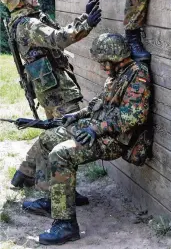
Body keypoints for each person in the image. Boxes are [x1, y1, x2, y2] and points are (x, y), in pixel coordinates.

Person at [22, 33, 151, 245]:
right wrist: (77, 116)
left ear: (114, 57)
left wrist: (95, 129)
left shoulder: (137, 76)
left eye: (103, 62)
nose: (101, 66)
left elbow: (134, 116)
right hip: (98, 129)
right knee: (48, 138)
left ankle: (66, 225)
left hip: (115, 140)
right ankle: (52, 200)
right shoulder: (119, 73)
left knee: (61, 154)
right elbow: (100, 103)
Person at [0, 0, 101, 205]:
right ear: (21, 1)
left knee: (53, 134)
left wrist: (83, 18)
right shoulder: (29, 24)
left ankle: (25, 173)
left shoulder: (24, 20)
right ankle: (57, 192)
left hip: (48, 87)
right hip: (56, 90)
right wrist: (87, 23)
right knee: (66, 138)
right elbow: (58, 39)